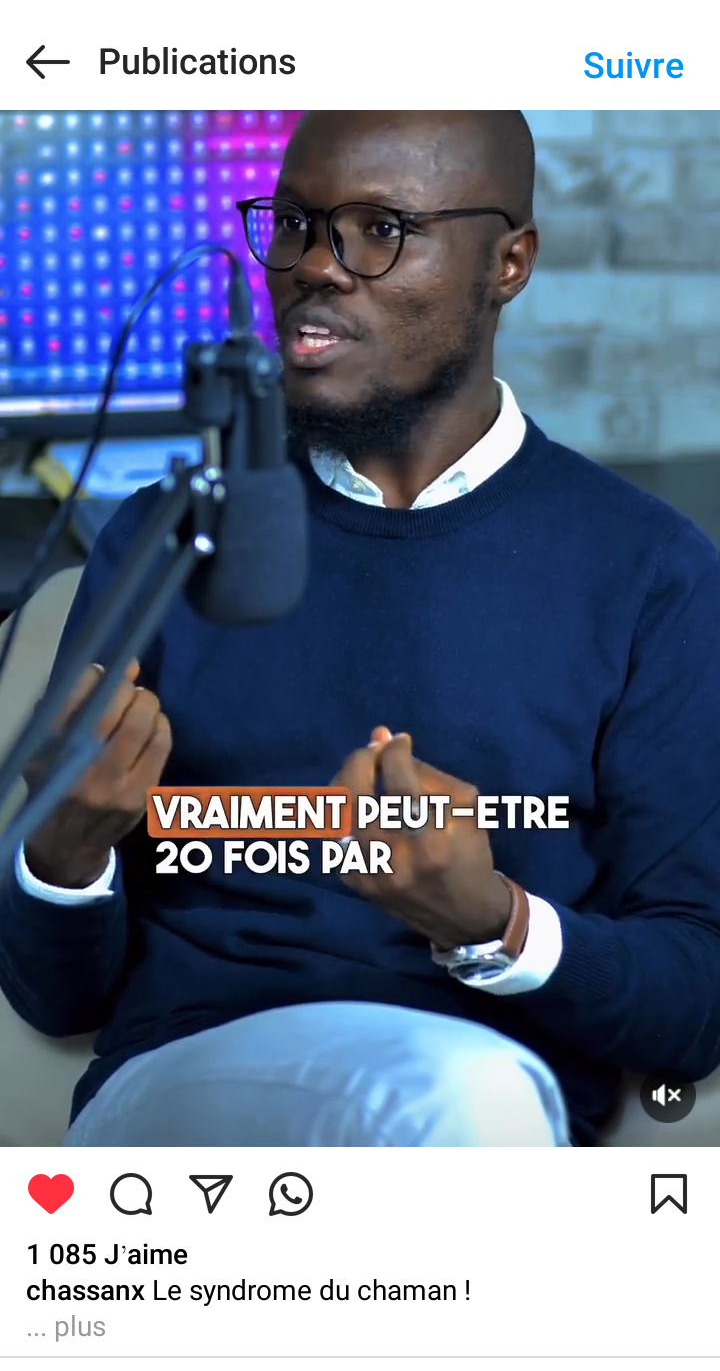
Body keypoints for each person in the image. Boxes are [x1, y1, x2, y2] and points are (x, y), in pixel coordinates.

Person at [2, 109, 720, 1149]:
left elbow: (695, 999)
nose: (313, 267)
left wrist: (493, 922)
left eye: (381, 228)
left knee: (461, 1095)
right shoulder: (164, 539)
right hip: (188, 1082)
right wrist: (64, 857)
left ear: (509, 263)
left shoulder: (652, 571)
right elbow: (54, 999)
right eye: (295, 224)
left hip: (492, 1105)